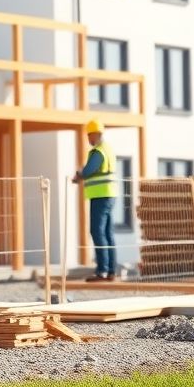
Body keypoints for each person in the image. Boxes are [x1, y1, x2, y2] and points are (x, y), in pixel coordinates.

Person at [73, 119, 118, 282]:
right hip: (109, 195)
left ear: (95, 134)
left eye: (89, 135)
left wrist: (78, 175)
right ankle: (111, 270)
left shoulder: (98, 151)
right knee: (107, 233)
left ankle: (102, 271)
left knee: (97, 231)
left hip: (100, 196)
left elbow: (89, 170)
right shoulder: (108, 149)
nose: (88, 139)